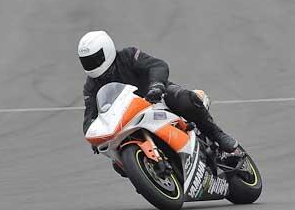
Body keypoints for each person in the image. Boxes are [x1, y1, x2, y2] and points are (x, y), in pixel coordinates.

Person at [79, 30, 239, 154]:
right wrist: (95, 137)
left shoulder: (127, 56)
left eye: (94, 58)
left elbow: (157, 65)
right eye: (87, 61)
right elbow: (90, 117)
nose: (91, 64)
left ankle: (217, 135)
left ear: (106, 50)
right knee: (117, 162)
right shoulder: (91, 85)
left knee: (185, 100)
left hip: (155, 98)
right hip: (127, 121)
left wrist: (156, 86)